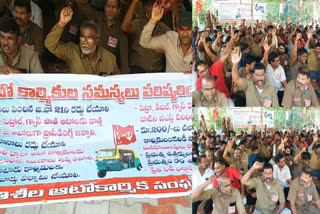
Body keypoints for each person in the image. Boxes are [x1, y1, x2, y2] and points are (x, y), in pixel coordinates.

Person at [44, 6, 119, 75]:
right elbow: (49, 44)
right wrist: (61, 23)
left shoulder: (110, 58)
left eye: (89, 38)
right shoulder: (72, 52)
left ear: (97, 40)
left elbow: (119, 83)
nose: (85, 42)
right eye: (83, 37)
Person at [76, 0, 129, 73]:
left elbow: (124, 60)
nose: (110, 10)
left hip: (107, 70)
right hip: (88, 66)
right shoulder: (97, 17)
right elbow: (83, 5)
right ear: (104, 8)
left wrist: (124, 79)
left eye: (113, 7)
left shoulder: (120, 31)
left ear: (118, 10)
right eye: (108, 6)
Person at [139, 4, 192, 72]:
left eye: (189, 29)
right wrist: (153, 20)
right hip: (170, 82)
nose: (185, 33)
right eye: (182, 29)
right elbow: (144, 43)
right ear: (177, 30)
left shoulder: (197, 45)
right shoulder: (169, 39)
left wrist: (192, 73)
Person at [121, 0, 169, 73]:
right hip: (138, 71)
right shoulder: (138, 24)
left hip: (157, 72)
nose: (153, 7)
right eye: (150, 5)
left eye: (155, 4)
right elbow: (124, 27)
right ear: (144, 8)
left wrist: (176, 15)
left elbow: (176, 39)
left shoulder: (164, 28)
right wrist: (134, 2)